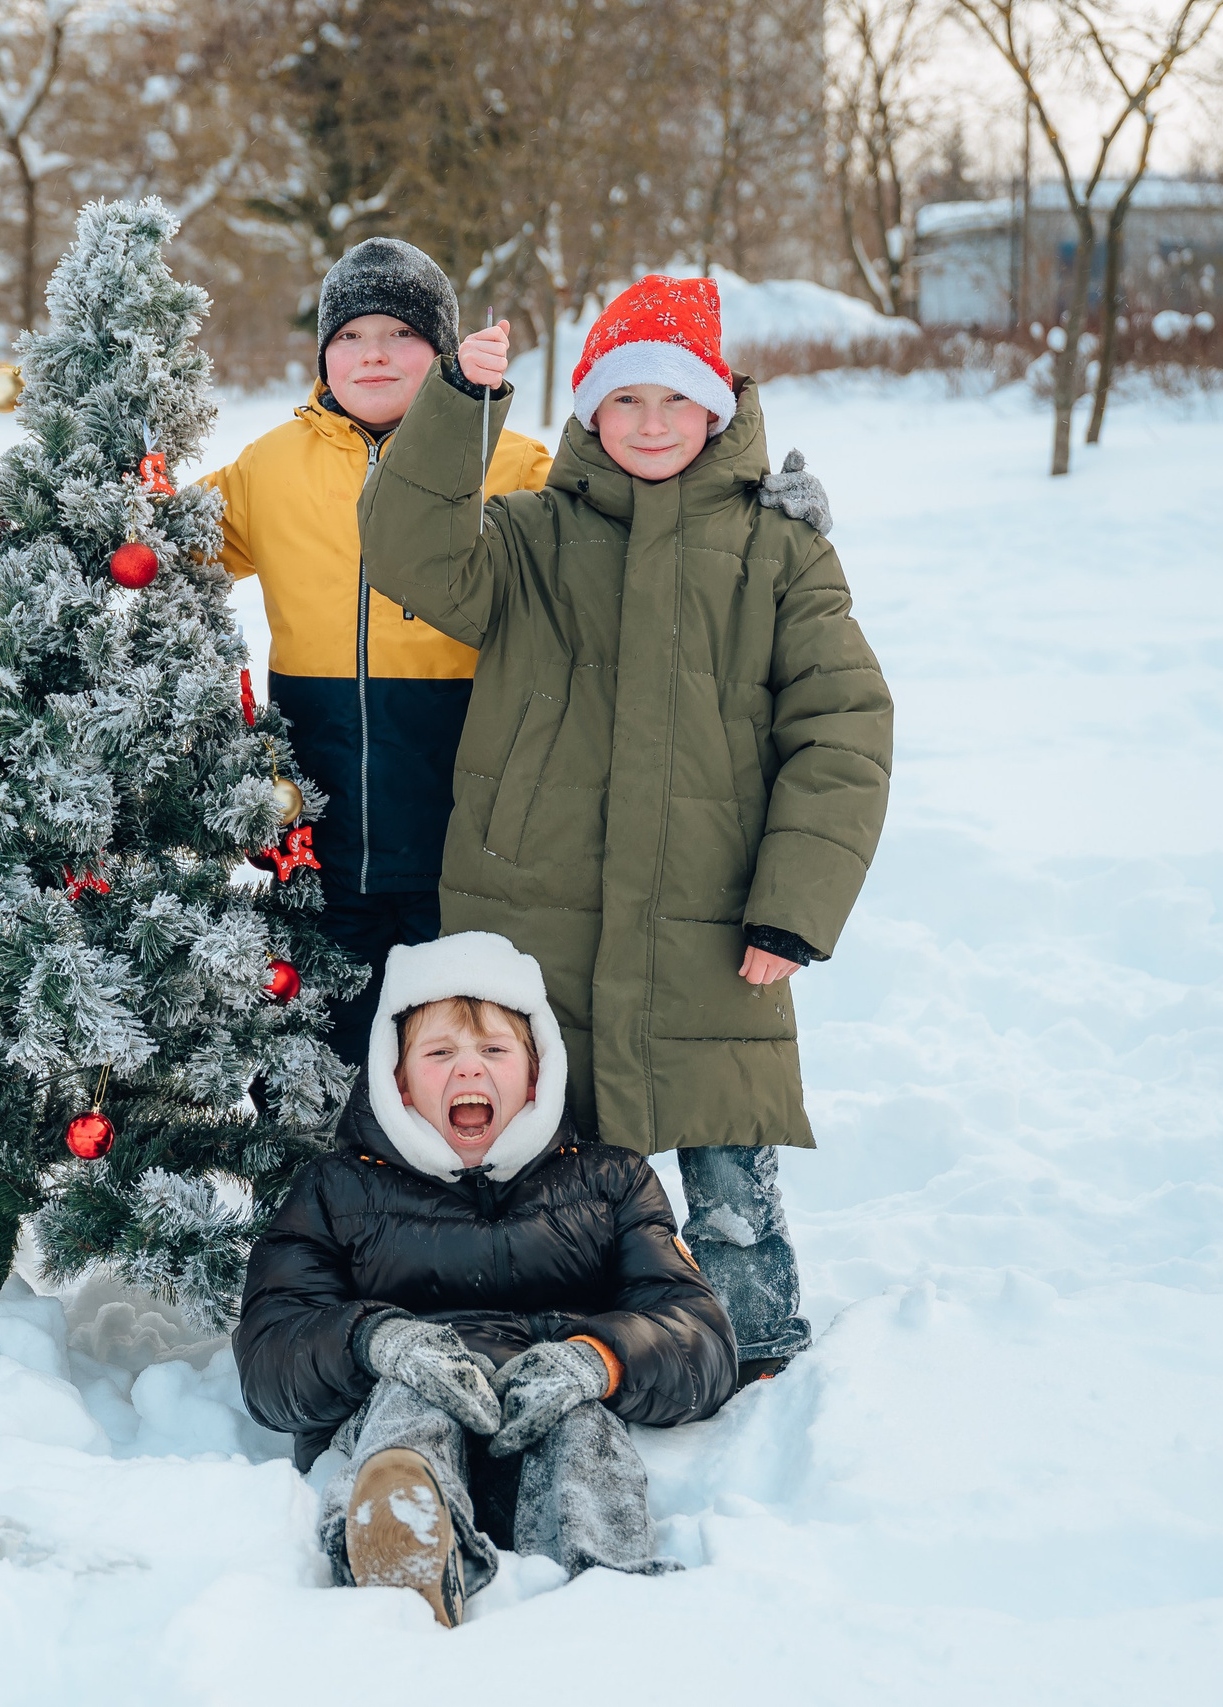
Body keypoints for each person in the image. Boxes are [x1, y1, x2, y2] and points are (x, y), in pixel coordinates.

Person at [354, 274, 894, 1384]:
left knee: (723, 1152)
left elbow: (841, 734)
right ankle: (555, 1328)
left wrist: (792, 911)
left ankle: (755, 1340)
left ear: (717, 409)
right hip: (534, 905)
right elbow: (408, 551)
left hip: (711, 918)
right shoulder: (530, 537)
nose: (650, 425)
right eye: (625, 401)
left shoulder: (779, 554)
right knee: (547, 1144)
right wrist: (455, 401)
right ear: (590, 412)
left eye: (674, 401)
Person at [201, 241, 834, 1071]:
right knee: (316, 1060)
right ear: (323, 354)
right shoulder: (270, 468)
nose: (376, 354)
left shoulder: (518, 464)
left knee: (456, 1059)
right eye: (351, 336)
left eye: (402, 333)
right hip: (320, 834)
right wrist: (43, 517)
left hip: (470, 843)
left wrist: (765, 511)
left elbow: (637, 510)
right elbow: (159, 547)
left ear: (448, 349)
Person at [236, 932, 736, 1626]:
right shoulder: (333, 1192)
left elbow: (699, 1331)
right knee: (412, 1402)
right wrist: (374, 1342)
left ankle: (612, 1589)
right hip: (402, 1415)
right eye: (439, 1053)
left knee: (583, 1425)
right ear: (398, 1077)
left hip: (551, 1414)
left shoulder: (610, 1181)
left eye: (495, 1051)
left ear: (536, 1072)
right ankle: (402, 1546)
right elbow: (271, 1350)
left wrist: (598, 1358)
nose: (468, 1070)